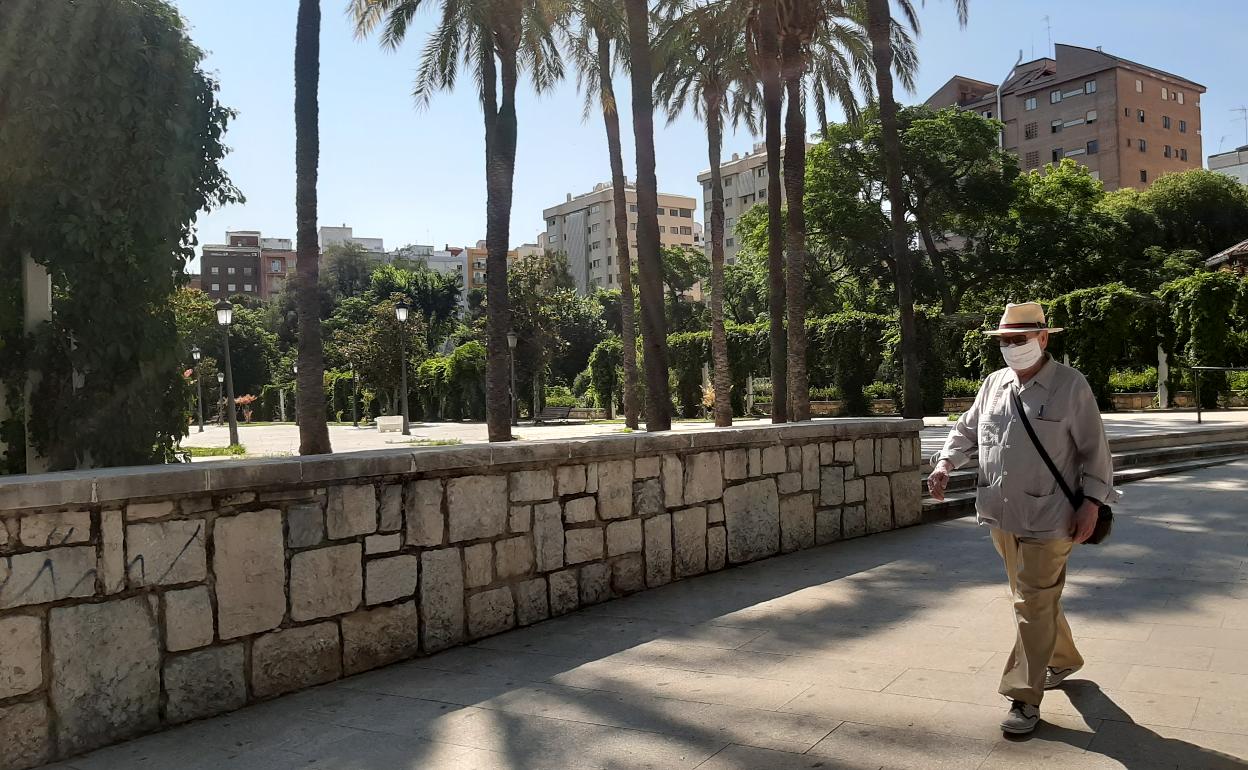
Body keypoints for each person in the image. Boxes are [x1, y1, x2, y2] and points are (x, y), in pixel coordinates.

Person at [927, 302, 1117, 735]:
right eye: (1005, 341)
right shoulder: (994, 384)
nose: (1012, 347)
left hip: (1052, 516)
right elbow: (967, 428)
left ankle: (1023, 697)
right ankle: (1064, 658)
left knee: (1030, 601)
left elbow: (1095, 451)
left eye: (1020, 339)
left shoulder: (1071, 386)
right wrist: (944, 463)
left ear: (1043, 338)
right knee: (1032, 597)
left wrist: (1091, 502)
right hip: (1001, 512)